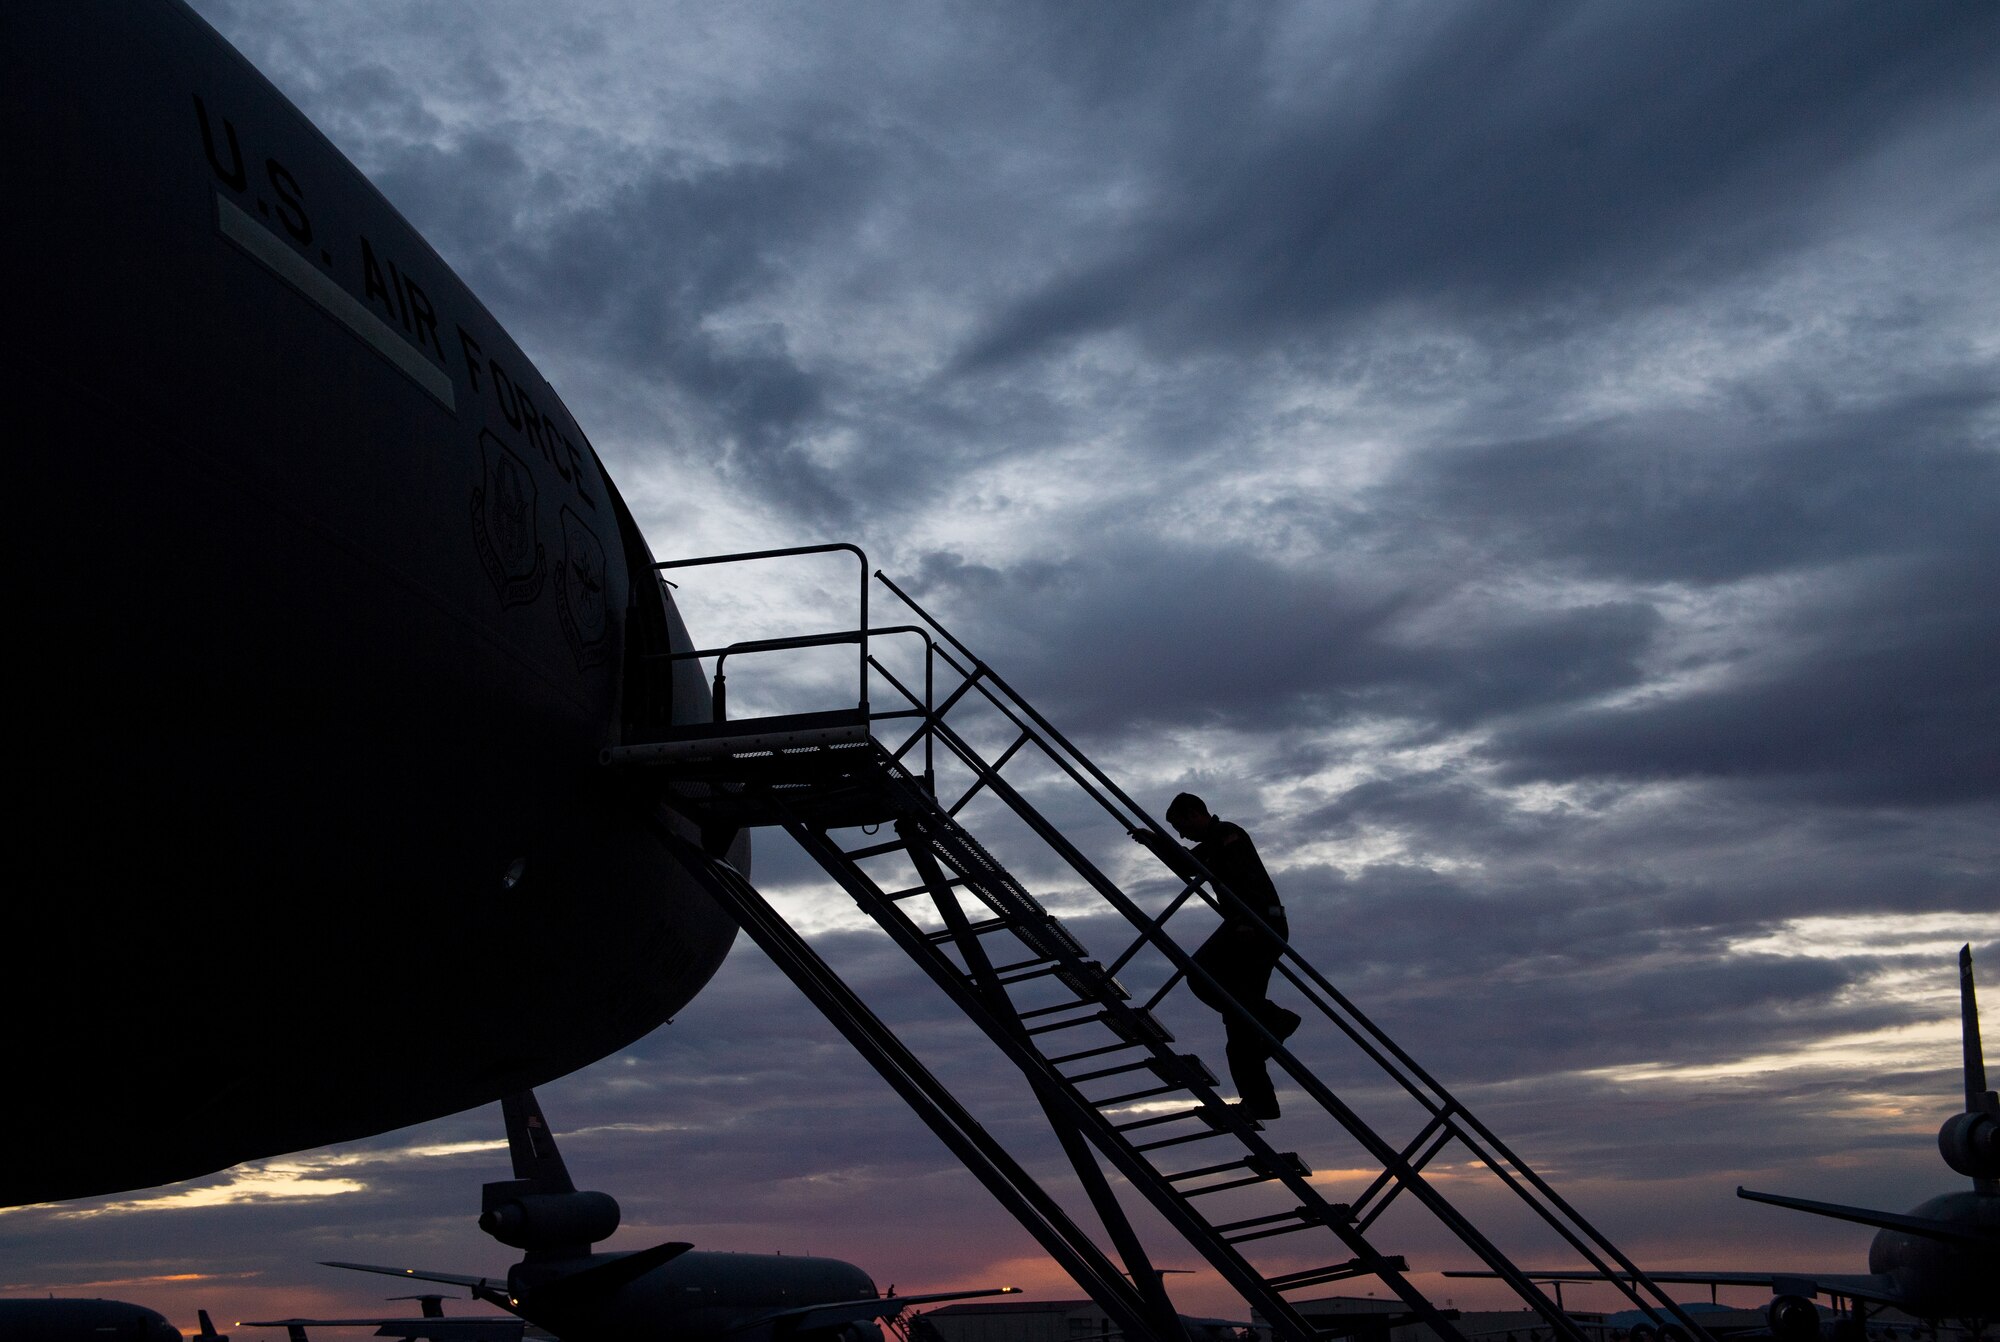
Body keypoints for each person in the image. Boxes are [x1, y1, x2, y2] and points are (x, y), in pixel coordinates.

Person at [1134, 792, 1301, 1120]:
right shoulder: (1216, 841)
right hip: (1252, 924)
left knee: (1202, 976)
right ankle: (1260, 1101)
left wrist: (1246, 922)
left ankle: (1275, 1020)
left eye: (1180, 826)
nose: (1182, 834)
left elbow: (1242, 880)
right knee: (1240, 1025)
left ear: (1195, 813)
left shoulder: (1227, 837)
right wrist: (1156, 843)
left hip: (1255, 925)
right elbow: (1188, 864)